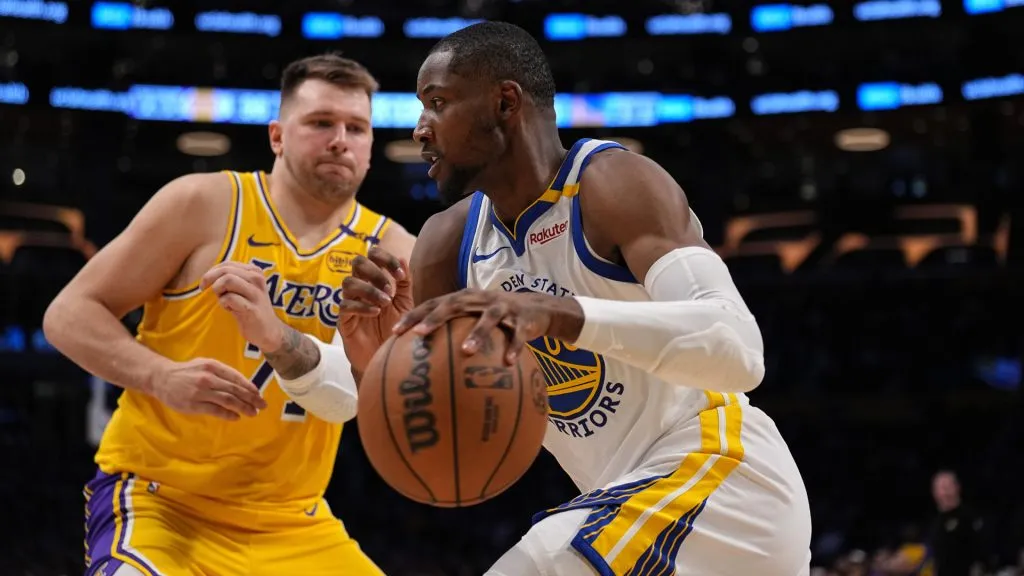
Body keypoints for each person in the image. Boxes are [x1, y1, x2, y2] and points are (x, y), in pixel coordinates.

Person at [290, 21, 811, 575]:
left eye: (437, 103)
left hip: (724, 482)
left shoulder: (614, 185)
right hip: (626, 499)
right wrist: (374, 360)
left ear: (505, 102)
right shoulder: (446, 245)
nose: (420, 128)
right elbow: (425, 410)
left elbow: (739, 351)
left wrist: (557, 314)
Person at [43, 53, 414, 576]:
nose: (340, 140)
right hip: (161, 500)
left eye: (356, 128)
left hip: (293, 520)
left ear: (371, 146)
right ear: (277, 136)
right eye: (321, 123)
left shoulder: (391, 253)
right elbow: (68, 314)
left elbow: (364, 396)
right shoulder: (203, 203)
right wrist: (159, 376)